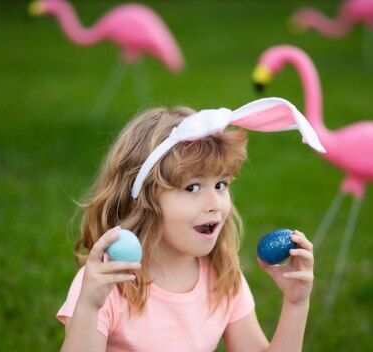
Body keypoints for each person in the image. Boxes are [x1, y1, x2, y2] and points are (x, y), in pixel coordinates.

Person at [57, 98, 325, 352]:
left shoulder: (223, 278)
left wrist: (295, 303)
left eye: (221, 185)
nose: (214, 204)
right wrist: (89, 307)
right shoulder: (107, 282)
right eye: (192, 187)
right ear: (146, 203)